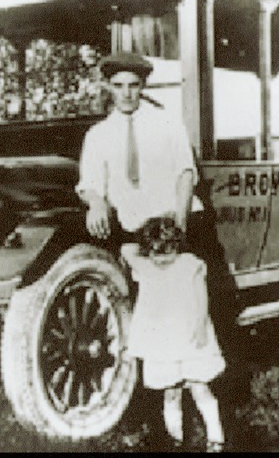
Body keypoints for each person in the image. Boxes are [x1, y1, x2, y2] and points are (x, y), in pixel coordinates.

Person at [121, 216, 226, 452]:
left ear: (177, 246)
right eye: (156, 254)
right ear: (148, 252)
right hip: (163, 341)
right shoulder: (145, 266)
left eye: (168, 252)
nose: (162, 260)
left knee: (200, 386)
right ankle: (175, 439)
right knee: (171, 392)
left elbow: (201, 298)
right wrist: (148, 242)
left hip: (189, 335)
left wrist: (200, 327)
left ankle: (215, 435)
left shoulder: (190, 265)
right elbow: (126, 249)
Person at [75, 52, 203, 241]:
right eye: (118, 86)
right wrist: (96, 203)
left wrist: (180, 223)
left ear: (143, 85)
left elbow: (185, 172)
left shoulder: (168, 123)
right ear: (109, 87)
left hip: (173, 220)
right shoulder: (98, 135)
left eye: (133, 85)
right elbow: (90, 184)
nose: (126, 94)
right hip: (130, 226)